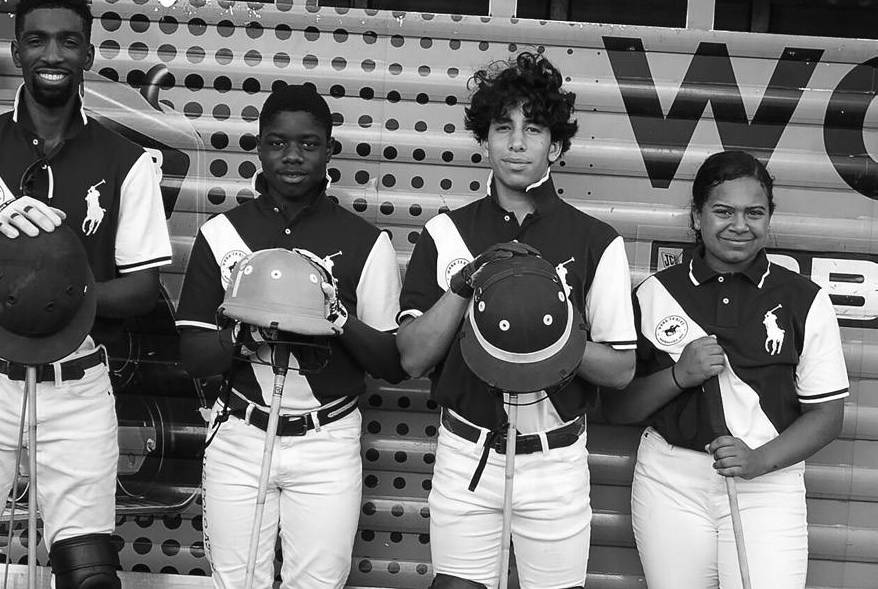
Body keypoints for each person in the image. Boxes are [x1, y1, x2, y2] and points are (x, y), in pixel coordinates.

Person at [0, 0, 172, 589]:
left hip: (77, 383)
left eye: (68, 41)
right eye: (37, 40)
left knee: (89, 575)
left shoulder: (128, 161)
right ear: (16, 52)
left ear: (88, 55)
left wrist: (57, 298)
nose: (53, 54)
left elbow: (142, 290)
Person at [396, 51, 637, 588]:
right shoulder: (446, 233)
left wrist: (545, 332)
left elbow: (621, 369)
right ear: (484, 139)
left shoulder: (597, 240)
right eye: (503, 127)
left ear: (556, 145)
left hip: (555, 459)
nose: (517, 143)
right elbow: (411, 358)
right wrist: (464, 286)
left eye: (534, 128)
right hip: (468, 451)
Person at [175, 83, 404, 588]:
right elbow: (192, 356)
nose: (293, 156)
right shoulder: (222, 234)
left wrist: (334, 315)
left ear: (330, 150)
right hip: (240, 436)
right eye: (278, 143)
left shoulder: (366, 242)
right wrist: (246, 333)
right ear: (258, 148)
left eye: (308, 143)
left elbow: (391, 362)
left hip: (327, 440)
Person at [603, 150, 848, 588]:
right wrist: (679, 375)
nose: (740, 225)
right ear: (696, 216)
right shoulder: (655, 292)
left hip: (767, 481)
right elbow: (618, 407)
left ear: (769, 217)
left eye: (754, 212)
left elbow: (827, 417)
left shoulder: (804, 298)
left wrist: (758, 460)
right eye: (723, 211)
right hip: (670, 482)